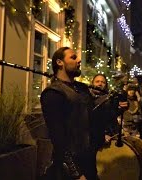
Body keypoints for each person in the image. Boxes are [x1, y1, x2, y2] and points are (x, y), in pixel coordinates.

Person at [41, 47, 95, 180]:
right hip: (70, 166)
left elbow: (92, 119)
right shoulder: (53, 93)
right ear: (59, 62)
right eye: (73, 57)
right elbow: (58, 137)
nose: (79, 60)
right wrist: (75, 172)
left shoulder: (82, 89)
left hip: (89, 159)